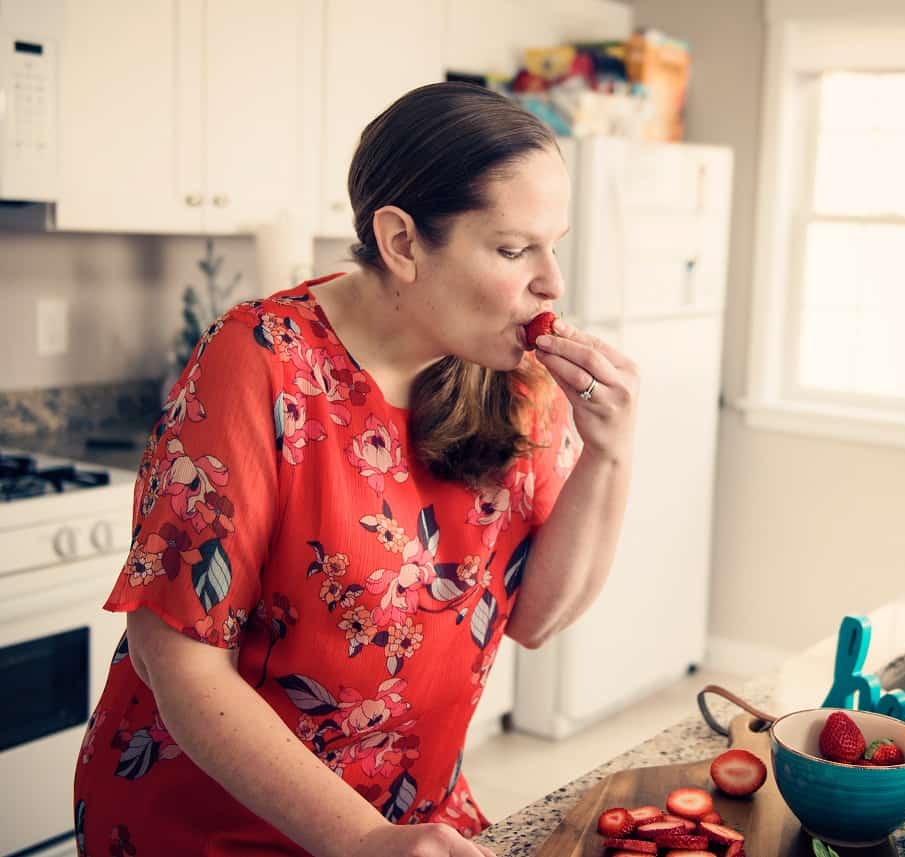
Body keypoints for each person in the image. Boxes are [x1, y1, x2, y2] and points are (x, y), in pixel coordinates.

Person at [72, 82, 638, 857]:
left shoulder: (515, 376)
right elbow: (177, 662)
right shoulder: (259, 363)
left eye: (554, 244)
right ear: (402, 242)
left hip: (411, 822)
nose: (553, 283)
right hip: (213, 826)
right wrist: (362, 838)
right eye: (513, 250)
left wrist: (610, 451)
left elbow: (536, 617)